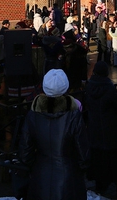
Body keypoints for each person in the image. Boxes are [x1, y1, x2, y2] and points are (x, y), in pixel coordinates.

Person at [20, 69, 89, 200]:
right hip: (68, 176)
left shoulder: (33, 115)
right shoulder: (74, 116)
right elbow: (83, 151)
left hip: (41, 175)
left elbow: (25, 150)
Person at [84, 62, 117, 196]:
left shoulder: (89, 87)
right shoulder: (108, 87)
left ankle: (100, 183)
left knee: (98, 156)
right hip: (110, 126)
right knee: (116, 157)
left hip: (95, 127)